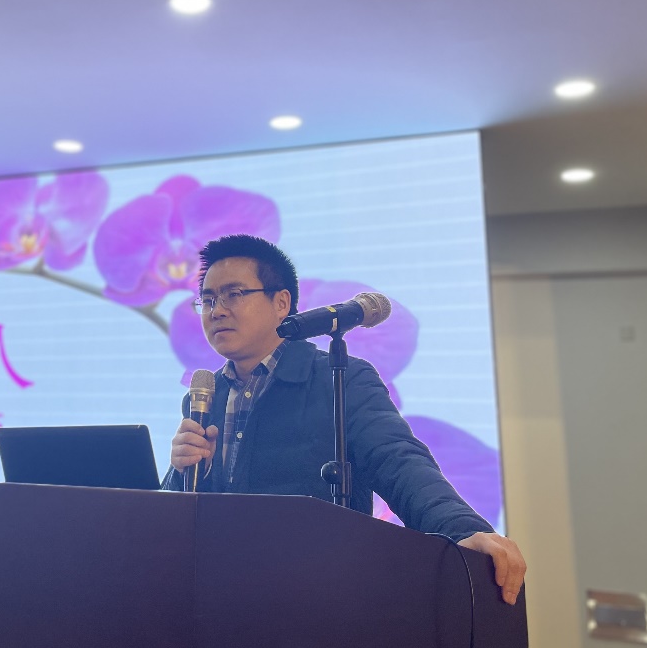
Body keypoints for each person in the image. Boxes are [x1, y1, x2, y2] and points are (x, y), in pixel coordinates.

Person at [164, 233, 527, 605]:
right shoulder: (205, 396)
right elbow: (180, 514)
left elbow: (397, 459)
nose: (217, 310)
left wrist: (462, 529)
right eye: (208, 299)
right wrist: (182, 471)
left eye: (234, 294)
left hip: (315, 596)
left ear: (281, 303)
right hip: (222, 596)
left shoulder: (340, 379)